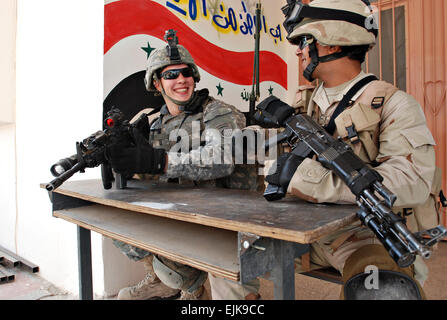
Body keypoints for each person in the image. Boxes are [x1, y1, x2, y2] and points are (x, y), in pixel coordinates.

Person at [211, 0, 442, 300]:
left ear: (333, 44)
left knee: (380, 289)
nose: (298, 50)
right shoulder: (304, 101)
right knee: (226, 257)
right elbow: (273, 139)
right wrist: (231, 139)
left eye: (305, 41)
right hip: (295, 226)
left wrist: (309, 179)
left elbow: (412, 180)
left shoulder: (393, 104)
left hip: (359, 235)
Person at [107, 30, 261, 300]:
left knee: (234, 295)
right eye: (170, 75)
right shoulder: (154, 121)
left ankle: (189, 281)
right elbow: (151, 175)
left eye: (186, 73)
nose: (181, 80)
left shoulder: (219, 112)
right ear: (157, 84)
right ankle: (180, 285)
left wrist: (159, 160)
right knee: (119, 225)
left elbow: (221, 160)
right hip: (182, 213)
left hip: (228, 221)